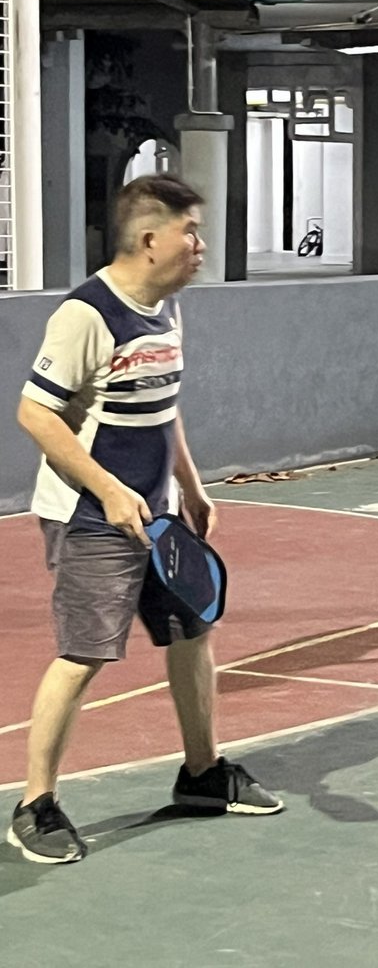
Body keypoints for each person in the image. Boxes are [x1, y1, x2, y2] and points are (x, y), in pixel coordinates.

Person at [8, 174, 282, 866]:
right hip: (92, 516)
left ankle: (201, 773)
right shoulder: (87, 315)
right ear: (148, 237)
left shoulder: (166, 310)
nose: (201, 244)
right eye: (190, 231)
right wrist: (108, 488)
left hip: (156, 514)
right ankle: (33, 804)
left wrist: (191, 485)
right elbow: (35, 413)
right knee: (85, 653)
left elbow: (163, 404)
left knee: (192, 632)